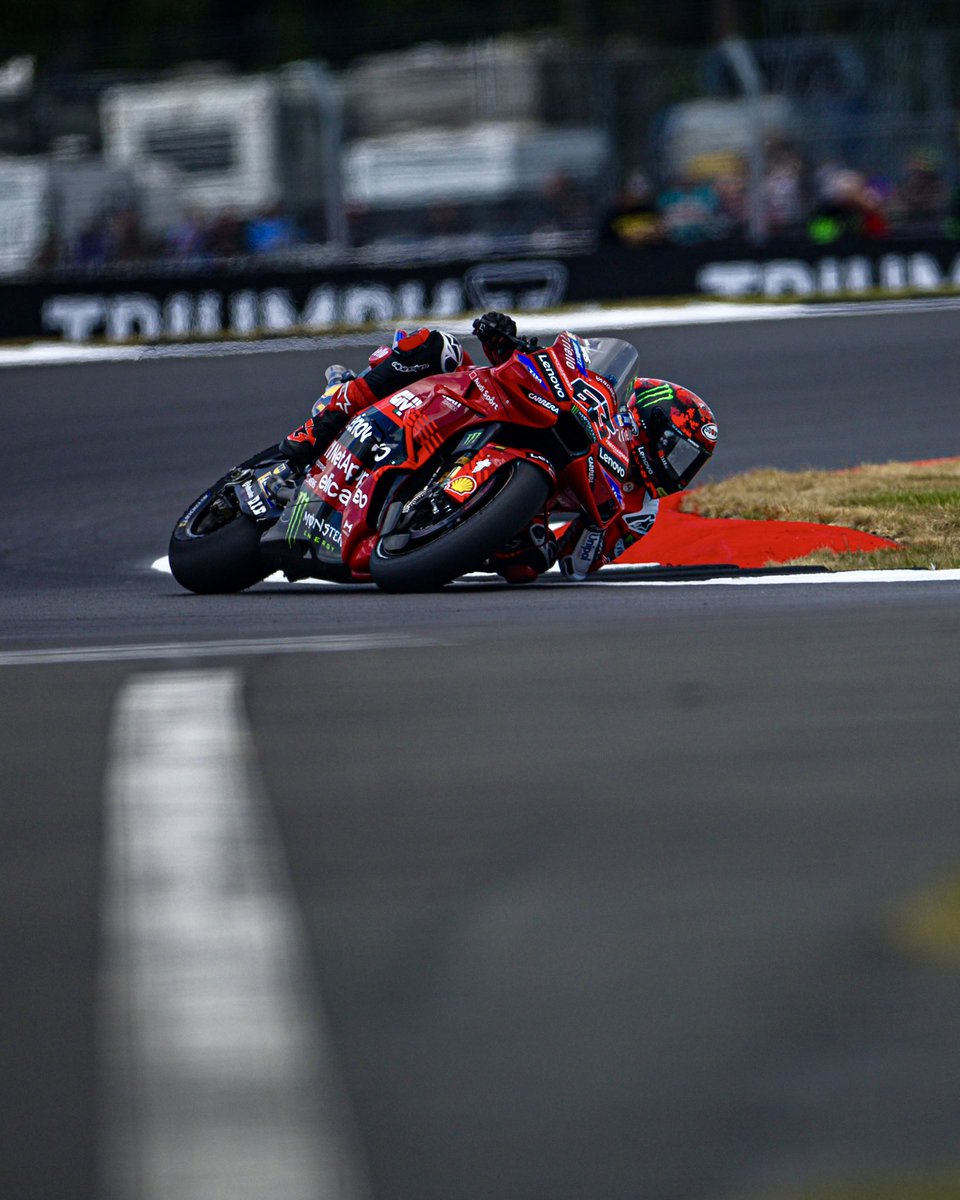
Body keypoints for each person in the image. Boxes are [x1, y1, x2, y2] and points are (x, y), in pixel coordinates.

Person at [277, 312, 717, 583]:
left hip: (524, 495)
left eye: (690, 463)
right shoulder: (601, 403)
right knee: (436, 348)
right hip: (480, 410)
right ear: (649, 421)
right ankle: (333, 410)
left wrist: (570, 534)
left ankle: (435, 529)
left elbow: (579, 564)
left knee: (527, 564)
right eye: (678, 453)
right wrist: (503, 342)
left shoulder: (640, 510)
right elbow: (537, 370)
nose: (679, 471)